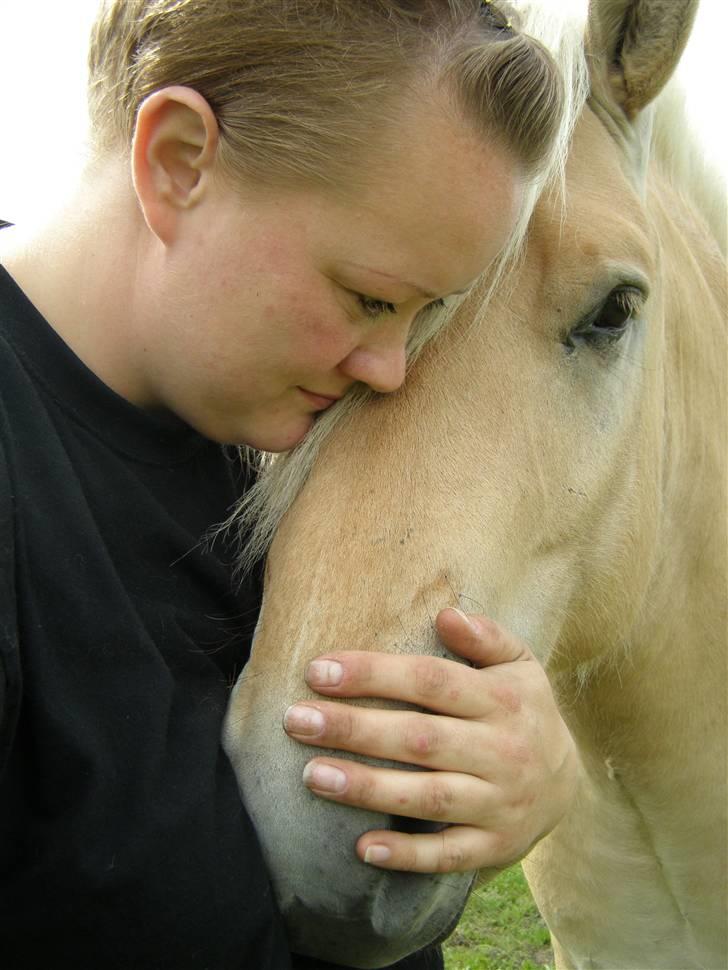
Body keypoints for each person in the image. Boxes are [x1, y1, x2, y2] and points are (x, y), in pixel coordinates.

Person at [0, 1, 577, 967]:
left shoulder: (269, 433)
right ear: (179, 160)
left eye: (427, 314)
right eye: (371, 298)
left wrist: (524, 776)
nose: (392, 368)